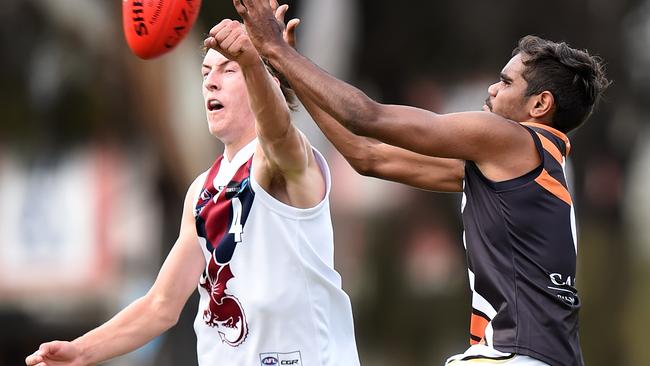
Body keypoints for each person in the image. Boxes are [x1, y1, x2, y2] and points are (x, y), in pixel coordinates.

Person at [220, 1, 611, 365]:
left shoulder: (508, 138)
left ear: (539, 105)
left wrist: (275, 49)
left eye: (506, 83)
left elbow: (367, 116)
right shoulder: (519, 167)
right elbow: (366, 155)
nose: (492, 90)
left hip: (512, 356)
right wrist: (292, 73)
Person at [25, 18, 360, 366]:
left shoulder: (288, 160)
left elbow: (277, 132)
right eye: (205, 72)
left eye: (228, 70)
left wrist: (251, 58)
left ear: (270, 83)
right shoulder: (203, 190)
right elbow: (160, 306)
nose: (211, 82)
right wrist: (81, 351)